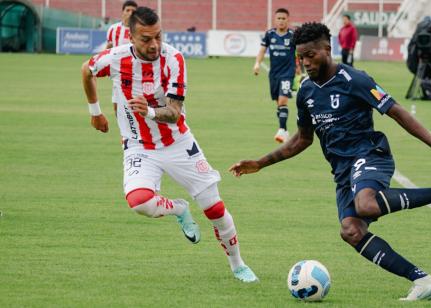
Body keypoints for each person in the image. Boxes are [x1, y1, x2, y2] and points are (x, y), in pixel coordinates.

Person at [230, 22, 431, 301]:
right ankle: (423, 281)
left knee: (365, 203)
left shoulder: (354, 79)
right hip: (342, 171)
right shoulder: (306, 91)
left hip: (370, 154)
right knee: (352, 231)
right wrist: (260, 163)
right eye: (301, 57)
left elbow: (397, 112)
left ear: (327, 49)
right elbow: (302, 139)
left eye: (311, 55)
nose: (306, 62)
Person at [81, 6, 257, 283]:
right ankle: (179, 208)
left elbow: (174, 112)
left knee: (215, 210)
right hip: (138, 145)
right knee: (139, 202)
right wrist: (95, 112)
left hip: (178, 143)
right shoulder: (115, 58)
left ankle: (238, 265)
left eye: (158, 37)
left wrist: (149, 112)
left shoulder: (173, 58)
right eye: (146, 39)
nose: (154, 45)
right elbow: (86, 70)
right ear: (131, 37)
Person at [253, 8, 299, 143]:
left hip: (287, 73)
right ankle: (285, 131)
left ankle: (281, 129)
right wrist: (257, 64)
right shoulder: (269, 34)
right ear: (275, 20)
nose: (281, 21)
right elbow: (262, 50)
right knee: (278, 103)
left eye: (283, 18)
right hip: (273, 74)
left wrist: (299, 67)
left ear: (288, 20)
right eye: (278, 18)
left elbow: (300, 52)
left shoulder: (292, 35)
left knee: (283, 100)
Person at [106, 1, 138, 115]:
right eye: (127, 10)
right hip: (118, 74)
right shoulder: (113, 29)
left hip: (136, 74)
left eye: (133, 11)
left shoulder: (139, 30)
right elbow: (108, 48)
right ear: (122, 12)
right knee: (117, 108)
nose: (130, 13)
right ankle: (124, 132)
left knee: (134, 109)